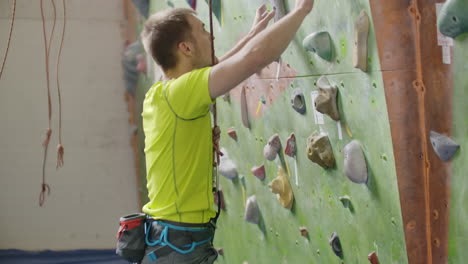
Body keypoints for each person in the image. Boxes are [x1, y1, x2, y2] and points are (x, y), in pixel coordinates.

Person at [139, 1, 314, 263]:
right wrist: (302, 10)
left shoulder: (163, 93)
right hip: (178, 246)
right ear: (185, 48)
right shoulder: (181, 92)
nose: (210, 35)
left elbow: (223, 66)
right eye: (203, 30)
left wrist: (253, 34)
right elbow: (253, 59)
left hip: (174, 240)